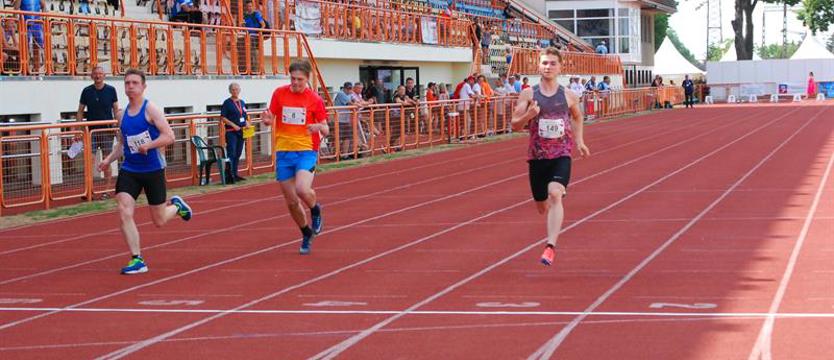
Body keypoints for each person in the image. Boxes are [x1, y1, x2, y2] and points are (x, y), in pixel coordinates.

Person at [98, 69, 193, 275]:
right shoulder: (121, 115)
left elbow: (170, 137)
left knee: (158, 221)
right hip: (130, 170)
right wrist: (108, 159)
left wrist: (149, 145)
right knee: (124, 211)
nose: (130, 86)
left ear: (143, 86)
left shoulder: (151, 110)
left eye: (134, 83)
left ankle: (176, 207)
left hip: (153, 169)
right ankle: (137, 258)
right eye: (127, 83)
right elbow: (122, 144)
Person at [510, 48, 590, 266]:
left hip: (561, 154)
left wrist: (579, 141)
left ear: (560, 66)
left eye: (553, 63)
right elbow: (514, 125)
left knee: (555, 193)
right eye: (545, 63)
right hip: (537, 157)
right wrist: (529, 115)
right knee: (541, 206)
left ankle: (550, 246)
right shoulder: (528, 94)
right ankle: (550, 215)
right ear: (539, 66)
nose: (548, 67)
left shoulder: (568, 95)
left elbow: (577, 117)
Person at [261, 60, 328, 255]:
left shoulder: (315, 99)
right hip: (283, 152)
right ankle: (306, 232)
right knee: (291, 202)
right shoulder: (279, 93)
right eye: (293, 78)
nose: (296, 83)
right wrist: (266, 121)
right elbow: (269, 117)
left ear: (307, 79)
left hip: (306, 151)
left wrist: (318, 127)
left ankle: (315, 209)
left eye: (300, 79)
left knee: (301, 189)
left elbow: (326, 128)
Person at [78, 65, 120, 199]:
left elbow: (116, 110)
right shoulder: (86, 91)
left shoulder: (111, 90)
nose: (98, 76)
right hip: (92, 132)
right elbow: (80, 111)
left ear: (104, 76)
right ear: (91, 76)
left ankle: (106, 191)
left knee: (107, 161)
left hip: (107, 131)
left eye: (100, 74)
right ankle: (88, 191)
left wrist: (117, 129)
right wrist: (78, 130)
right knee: (89, 161)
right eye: (95, 74)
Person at [220, 82, 249, 182]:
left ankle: (235, 173)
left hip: (241, 131)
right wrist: (233, 125)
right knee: (231, 152)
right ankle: (229, 175)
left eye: (237, 89)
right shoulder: (227, 103)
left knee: (238, 153)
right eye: (233, 89)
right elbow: (223, 118)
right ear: (230, 91)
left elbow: (244, 116)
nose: (235, 91)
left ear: (239, 90)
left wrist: (247, 123)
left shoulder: (242, 102)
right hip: (231, 131)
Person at [13, 0, 45, 73]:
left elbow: (43, 6)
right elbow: (15, 9)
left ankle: (36, 69)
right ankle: (26, 69)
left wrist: (42, 18)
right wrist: (15, 21)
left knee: (36, 48)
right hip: (25, 25)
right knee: (25, 48)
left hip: (36, 24)